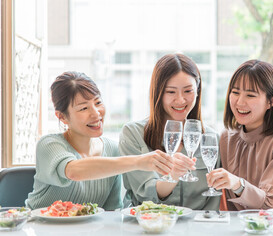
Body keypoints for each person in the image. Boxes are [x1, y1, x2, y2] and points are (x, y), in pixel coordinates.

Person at [26, 71, 174, 210]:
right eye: (83, 108)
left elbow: (112, 211)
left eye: (98, 103)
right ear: (62, 117)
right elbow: (73, 171)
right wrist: (138, 162)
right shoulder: (49, 145)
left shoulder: (112, 150)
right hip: (38, 228)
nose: (96, 114)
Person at [207, 60, 273, 210]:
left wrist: (238, 185)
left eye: (250, 95)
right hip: (247, 228)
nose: (239, 102)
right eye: (235, 92)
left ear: (271, 101)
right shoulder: (227, 138)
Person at [119, 53, 220, 210]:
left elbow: (213, 201)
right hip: (148, 227)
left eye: (188, 91)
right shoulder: (133, 134)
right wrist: (173, 176)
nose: (180, 100)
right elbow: (144, 195)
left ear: (198, 90)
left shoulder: (210, 139)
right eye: (171, 92)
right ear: (157, 93)